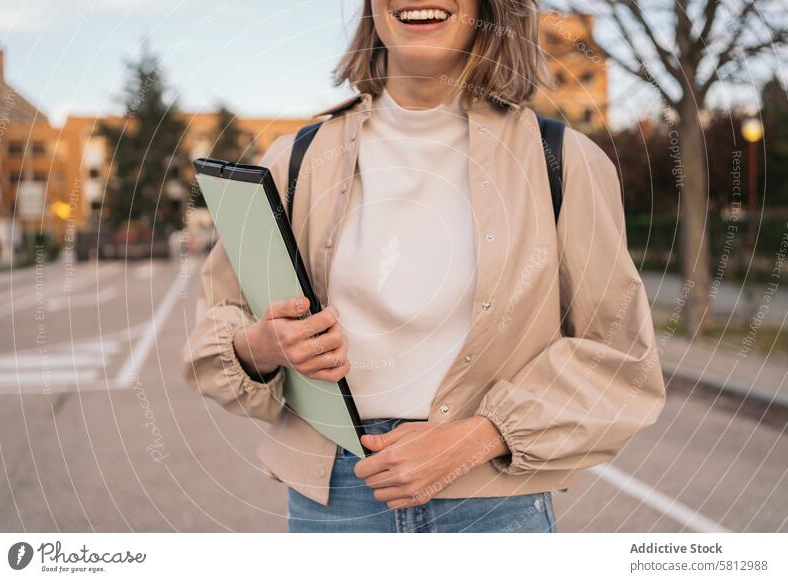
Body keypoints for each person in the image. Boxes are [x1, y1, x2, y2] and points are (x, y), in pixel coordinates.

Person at [181, 0, 666, 533]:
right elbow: (217, 321)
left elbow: (621, 358)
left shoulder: (564, 162)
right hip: (334, 508)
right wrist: (262, 345)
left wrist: (482, 435)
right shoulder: (292, 160)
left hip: (491, 507)